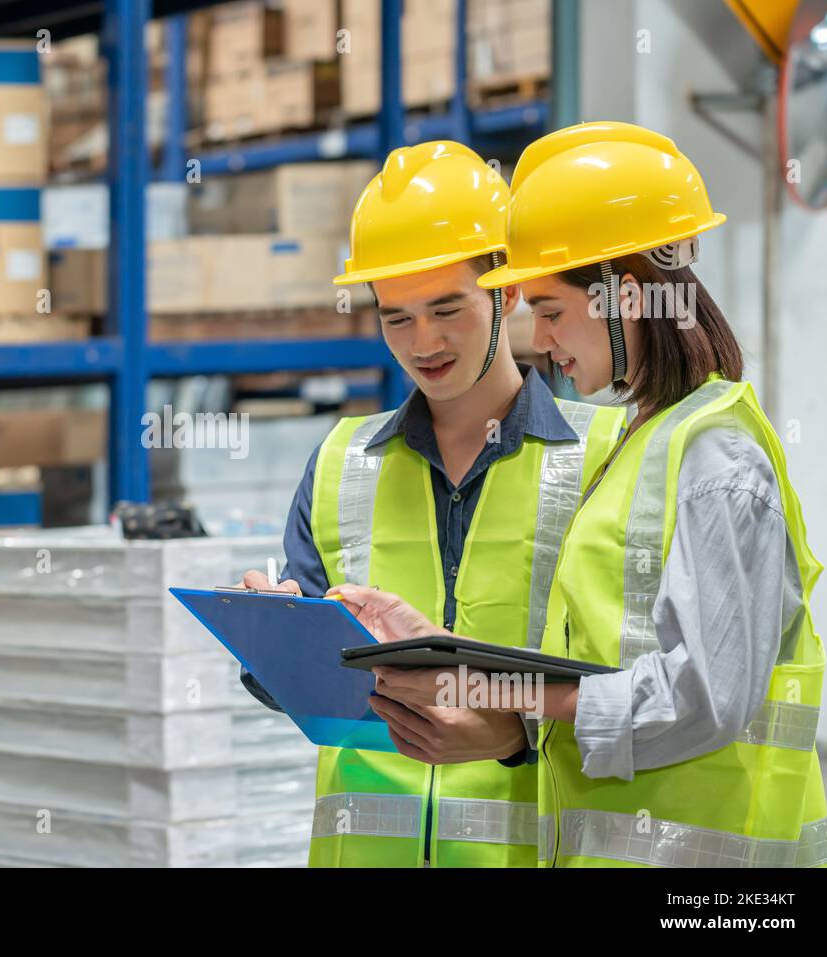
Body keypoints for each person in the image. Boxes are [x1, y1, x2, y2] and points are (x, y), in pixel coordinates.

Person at [340, 121, 827, 868]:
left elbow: (705, 696)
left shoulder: (717, 458)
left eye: (551, 309)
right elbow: (605, 656)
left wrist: (505, 692)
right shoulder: (643, 441)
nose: (539, 338)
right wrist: (437, 648)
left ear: (625, 295)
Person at [238, 142, 625, 867]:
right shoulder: (340, 463)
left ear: (507, 293)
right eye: (397, 318)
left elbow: (648, 692)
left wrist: (514, 735)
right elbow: (311, 685)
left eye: (447, 308)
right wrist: (275, 637)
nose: (424, 343)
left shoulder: (604, 456)